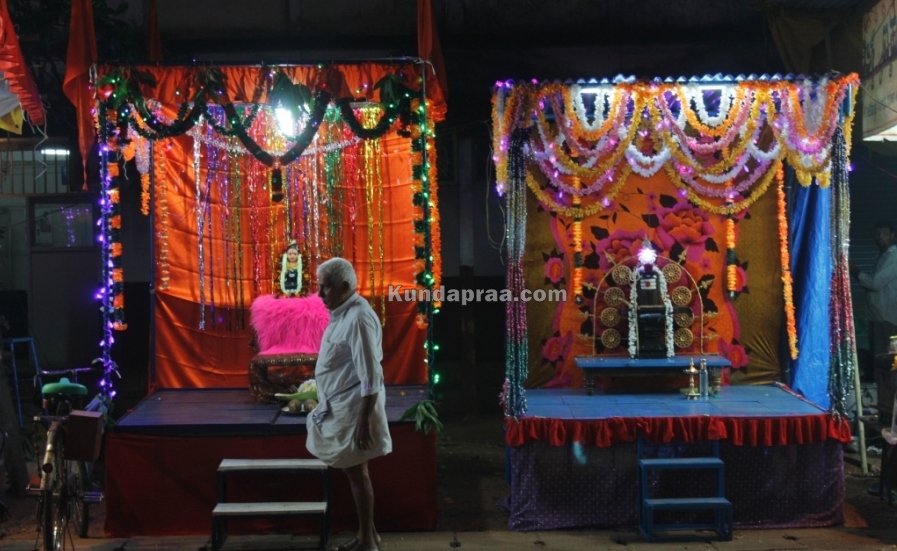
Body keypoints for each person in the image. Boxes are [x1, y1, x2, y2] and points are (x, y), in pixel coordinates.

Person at [307, 258, 391, 551]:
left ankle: (367, 541)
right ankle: (369, 534)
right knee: (352, 470)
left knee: (357, 472)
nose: (320, 294)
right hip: (341, 404)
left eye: (325, 288)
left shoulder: (357, 317)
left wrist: (363, 422)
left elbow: (370, 375)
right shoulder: (342, 313)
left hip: (356, 408)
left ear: (344, 287)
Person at [851, 220, 897, 361]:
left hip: (887, 320)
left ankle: (890, 383)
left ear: (892, 236)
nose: (881, 237)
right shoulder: (881, 256)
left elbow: (874, 284)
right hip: (879, 318)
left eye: (885, 234)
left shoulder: (893, 256)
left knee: (888, 358)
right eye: (878, 234)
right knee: (886, 357)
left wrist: (853, 269)